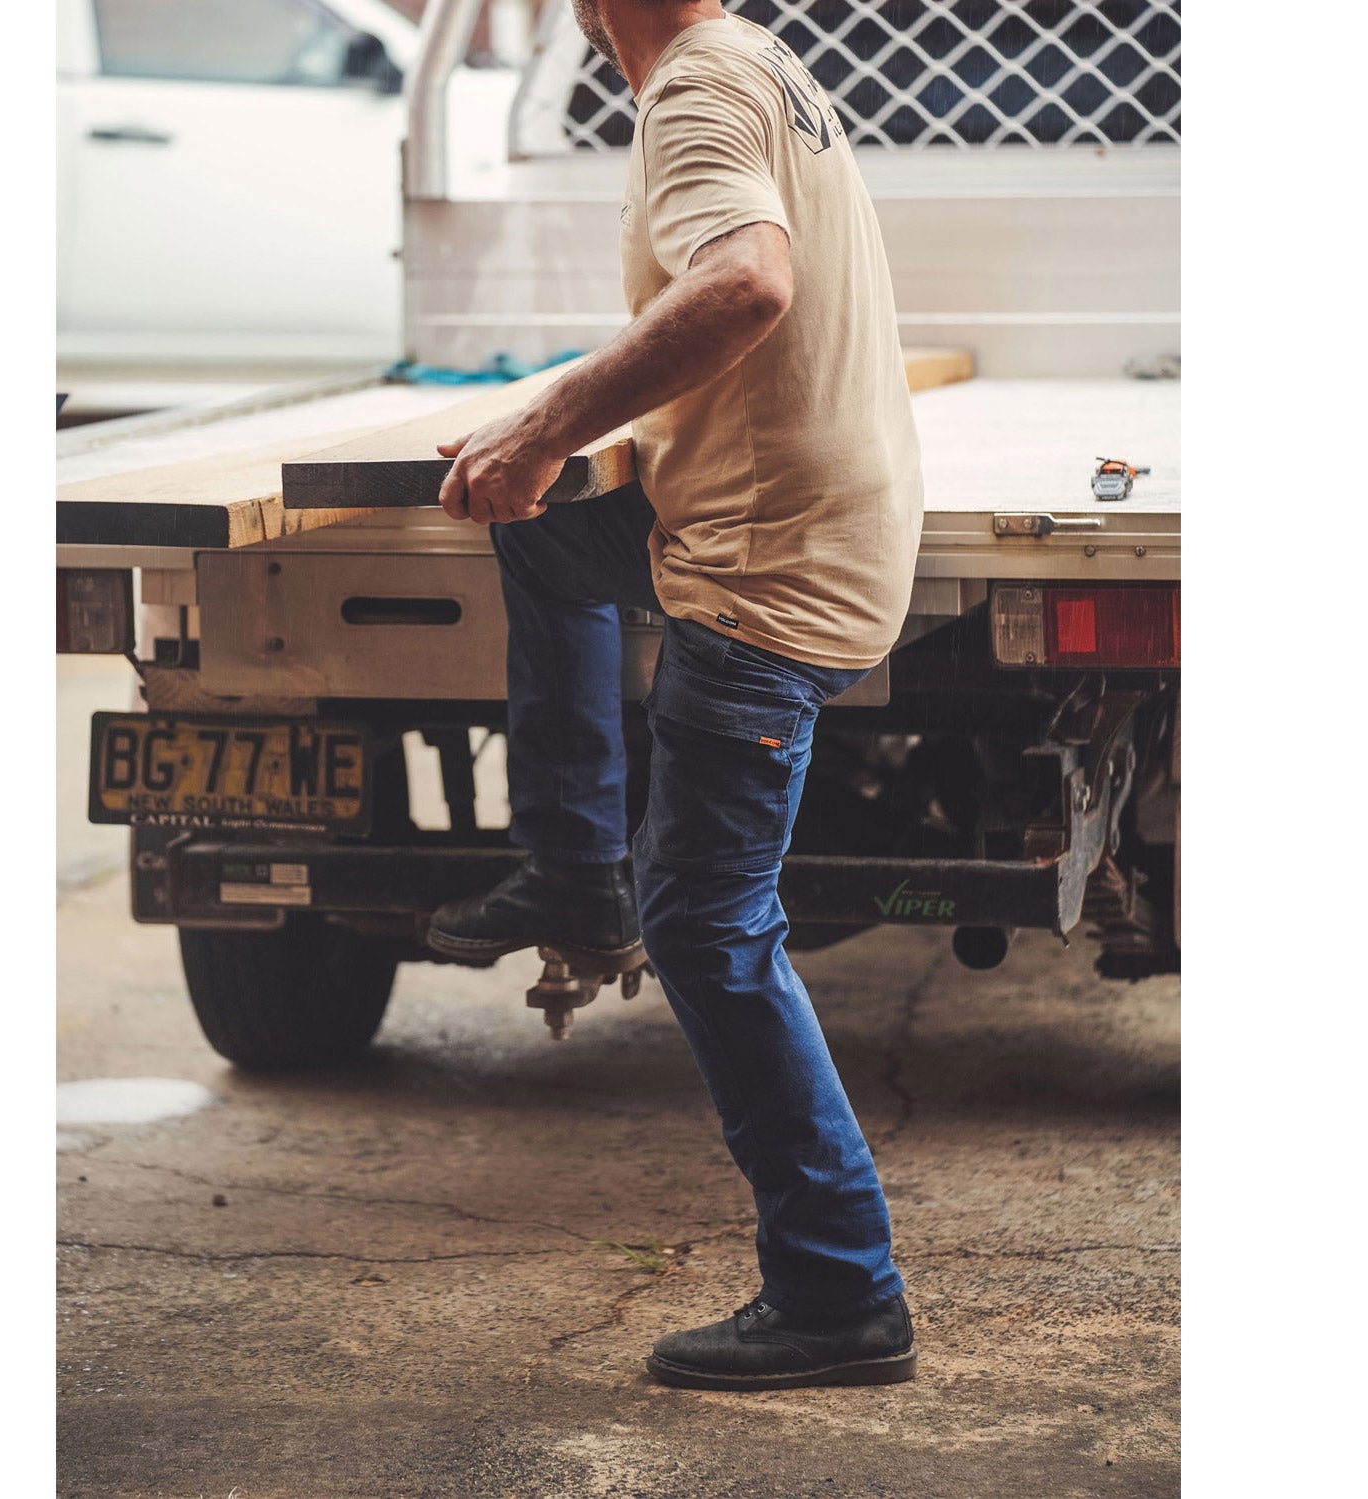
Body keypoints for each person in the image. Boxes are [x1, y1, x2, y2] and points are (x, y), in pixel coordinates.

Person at [425, 0, 925, 1391]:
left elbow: (748, 284)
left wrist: (546, 424)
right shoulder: (752, 56)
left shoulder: (696, 91)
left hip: (767, 565)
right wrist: (549, 436)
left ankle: (840, 1293)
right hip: (795, 518)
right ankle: (573, 864)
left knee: (708, 927)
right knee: (539, 534)